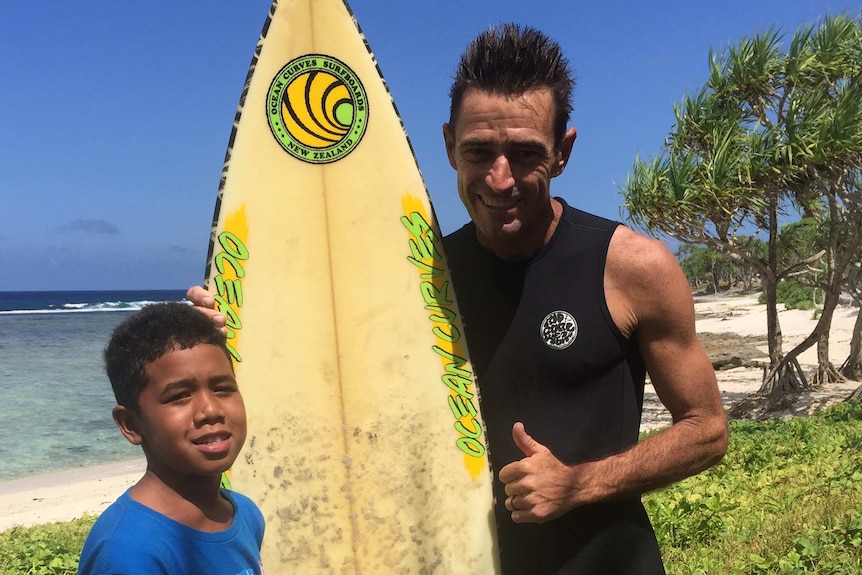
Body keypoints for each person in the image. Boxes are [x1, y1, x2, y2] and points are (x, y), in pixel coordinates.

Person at [188, 23, 727, 574]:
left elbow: (706, 430)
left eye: (524, 153)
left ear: (562, 152)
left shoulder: (631, 267)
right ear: (448, 145)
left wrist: (579, 484)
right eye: (478, 151)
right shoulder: (422, 278)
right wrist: (230, 332)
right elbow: (331, 373)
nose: (499, 178)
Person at [78, 302, 265, 575]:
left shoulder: (246, 515)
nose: (211, 410)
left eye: (222, 388)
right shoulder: (129, 553)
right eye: (179, 396)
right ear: (130, 424)